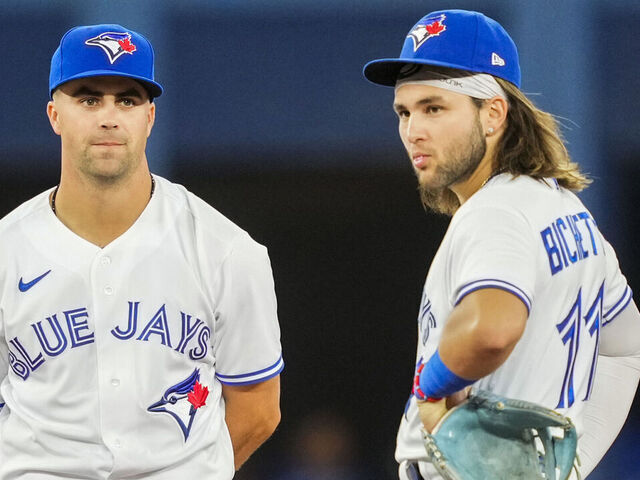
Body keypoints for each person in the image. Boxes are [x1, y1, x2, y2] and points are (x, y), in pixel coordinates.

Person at [363, 9, 640, 480]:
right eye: (404, 112)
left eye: (434, 107)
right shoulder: (568, 212)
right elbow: (626, 350)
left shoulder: (496, 212)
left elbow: (492, 329)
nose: (413, 131)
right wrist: (572, 467)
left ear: (492, 113)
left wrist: (430, 390)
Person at [0, 24, 283, 479]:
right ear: (55, 115)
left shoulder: (226, 250)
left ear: (150, 118)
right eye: (89, 99)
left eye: (127, 100)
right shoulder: (7, 250)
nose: (109, 117)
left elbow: (259, 411)